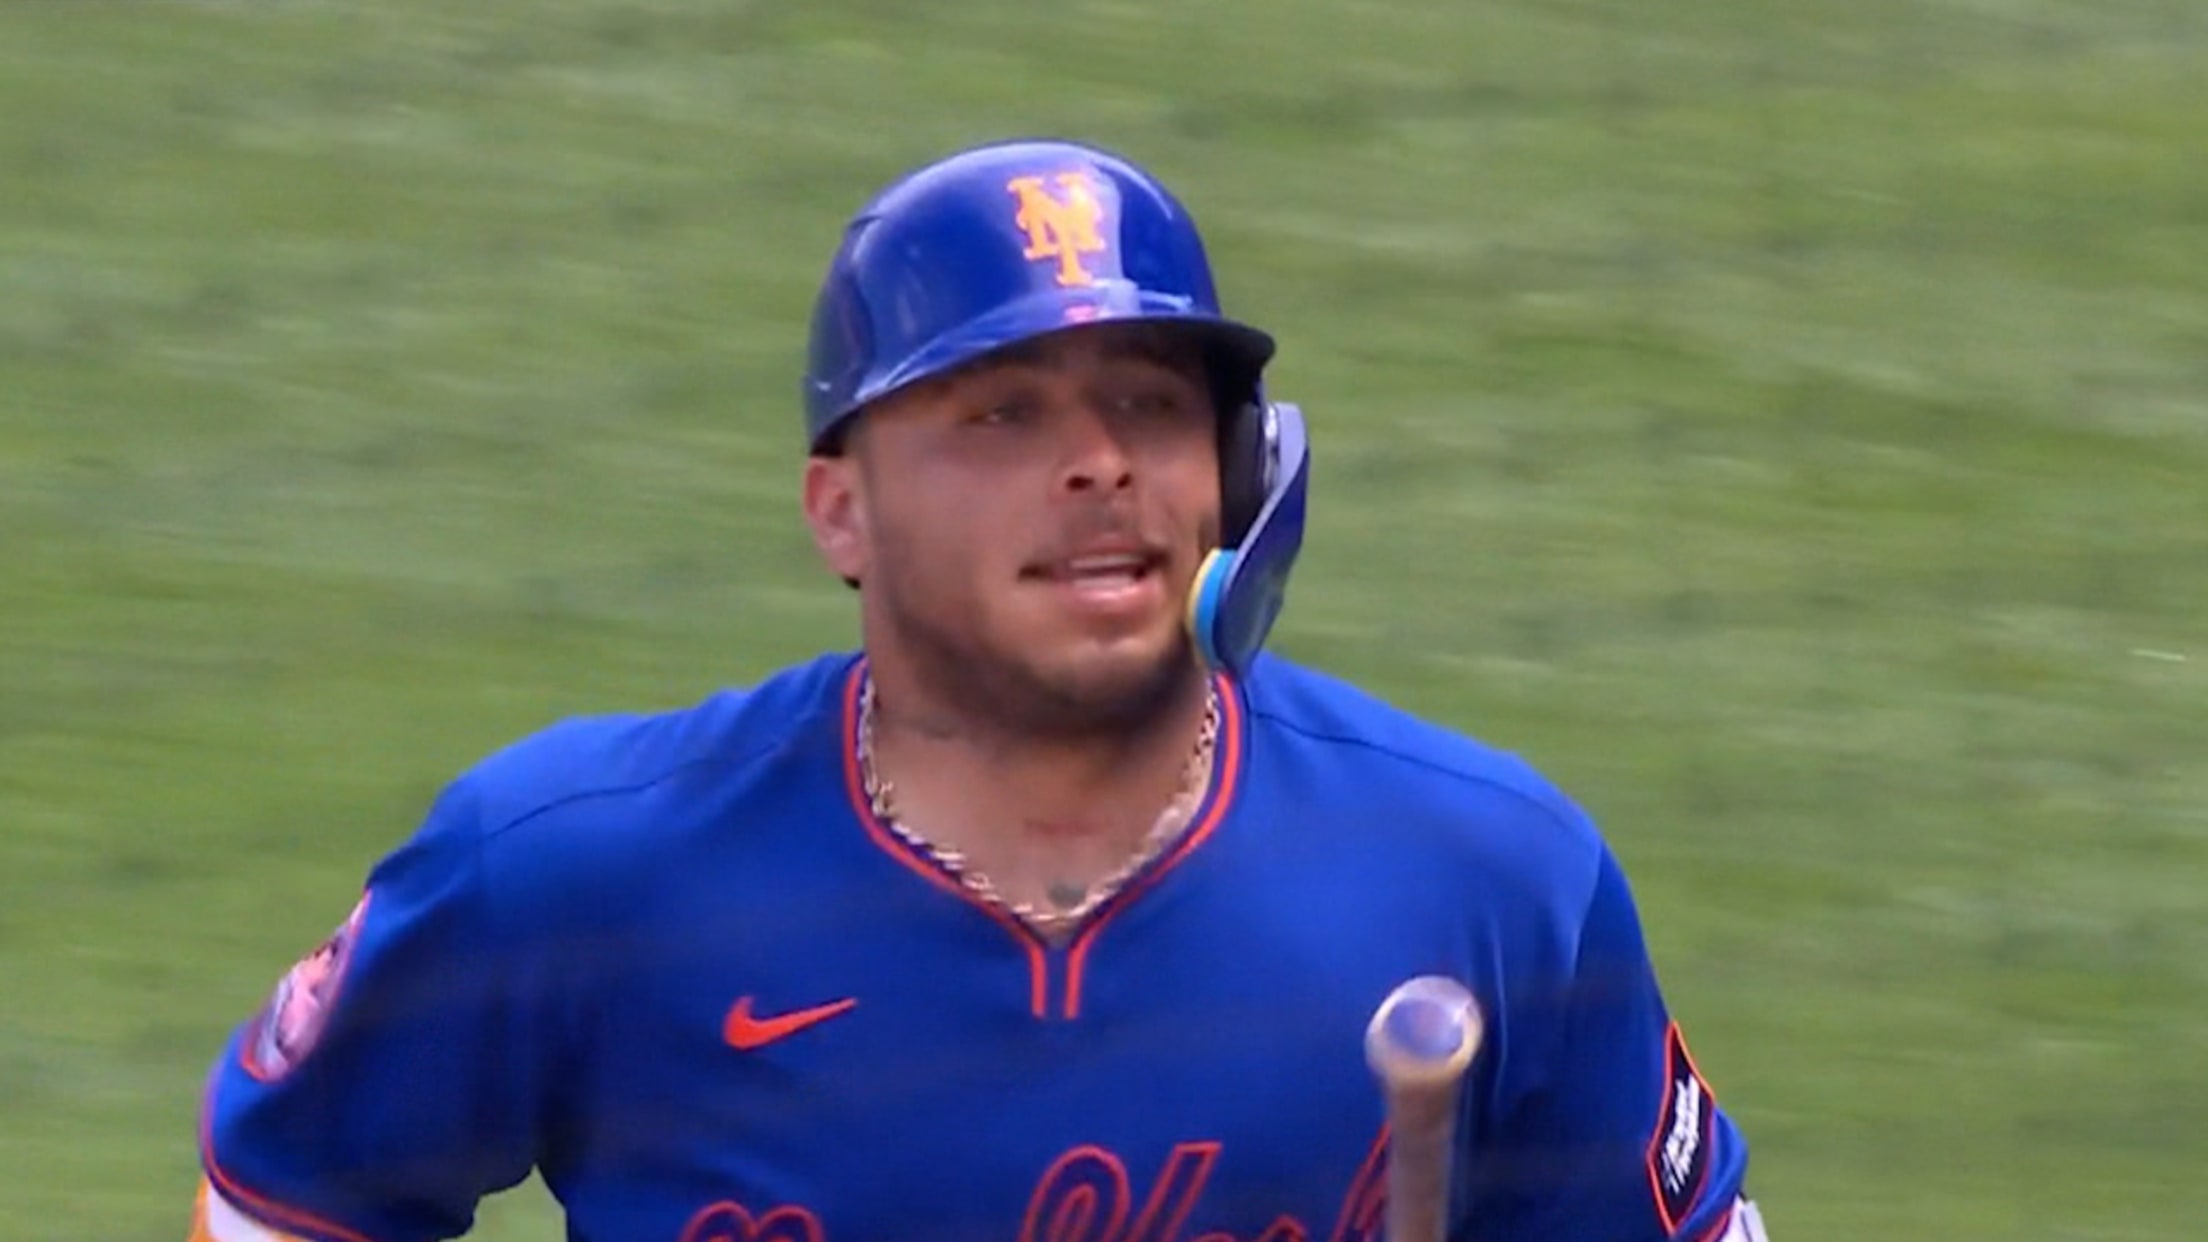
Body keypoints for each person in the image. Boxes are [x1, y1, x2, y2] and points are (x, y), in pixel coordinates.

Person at [188, 137, 1771, 1242]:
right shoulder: (569, 872)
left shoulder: (1487, 876)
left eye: (1151, 405)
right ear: (841, 512)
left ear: (1236, 478)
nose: (1099, 462)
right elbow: (286, 1206)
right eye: (1003, 414)